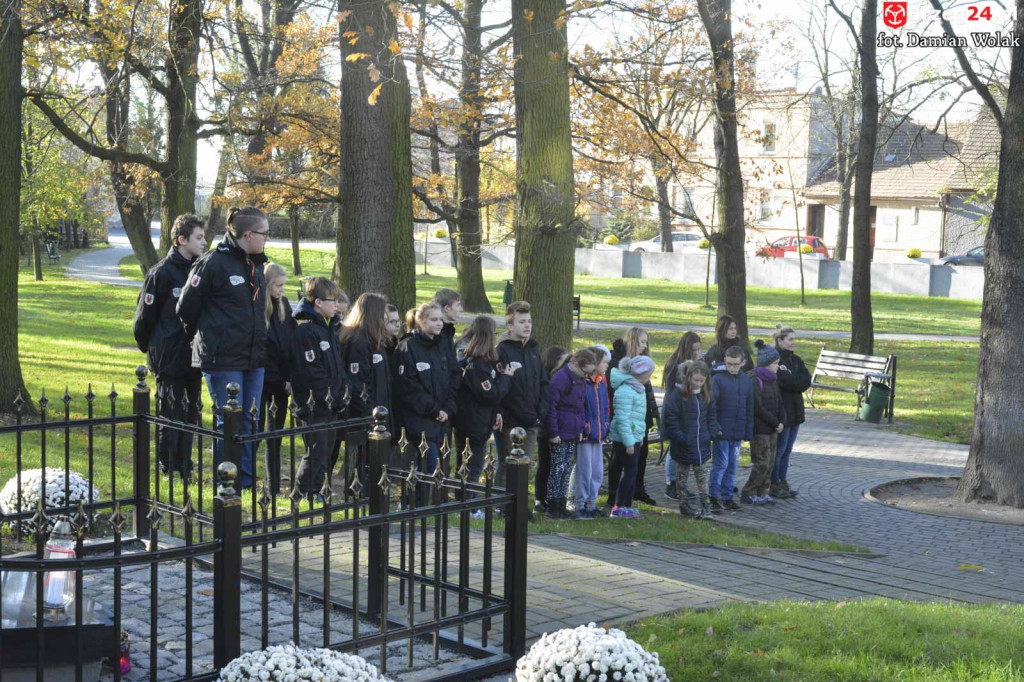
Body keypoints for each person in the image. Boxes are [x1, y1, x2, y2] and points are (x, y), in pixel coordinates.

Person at [177, 206, 270, 490]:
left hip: (253, 359)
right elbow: (186, 308)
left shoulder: (255, 265)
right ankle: (225, 485)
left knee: (249, 422)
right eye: (265, 234)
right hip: (223, 358)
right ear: (249, 234)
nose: (267, 239)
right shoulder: (213, 263)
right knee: (228, 422)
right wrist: (210, 337)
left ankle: (242, 483)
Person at [133, 213, 206, 481]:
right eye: (198, 237)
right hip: (168, 355)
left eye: (204, 237)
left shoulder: (200, 271)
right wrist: (151, 348)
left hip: (194, 355)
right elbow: (144, 318)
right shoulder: (160, 273)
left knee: (190, 412)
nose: (204, 242)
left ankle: (184, 463)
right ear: (181, 240)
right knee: (170, 411)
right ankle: (168, 464)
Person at [393, 302, 460, 504]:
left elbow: (455, 376)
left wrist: (447, 409)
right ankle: (413, 505)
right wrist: (433, 409)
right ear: (421, 321)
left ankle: (421, 507)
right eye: (434, 319)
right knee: (427, 464)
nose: (439, 323)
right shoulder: (407, 347)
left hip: (443, 417)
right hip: (419, 418)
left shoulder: (445, 343)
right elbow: (409, 387)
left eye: (440, 319)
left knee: (438, 467)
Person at [290, 277, 348, 500]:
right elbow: (311, 370)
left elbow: (337, 366)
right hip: (314, 403)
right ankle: (300, 492)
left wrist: (341, 392)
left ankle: (317, 491)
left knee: (326, 452)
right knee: (315, 451)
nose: (336, 305)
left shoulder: (330, 329)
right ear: (317, 302)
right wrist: (327, 396)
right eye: (332, 300)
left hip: (332, 403)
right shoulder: (306, 331)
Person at [452, 316, 511, 513]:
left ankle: (465, 501)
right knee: (473, 464)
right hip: (473, 421)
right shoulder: (477, 364)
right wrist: (506, 379)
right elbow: (489, 394)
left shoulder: (482, 361)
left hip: (476, 418)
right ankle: (468, 505)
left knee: (467, 461)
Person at [496, 301, 548, 487]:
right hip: (510, 420)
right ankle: (501, 506)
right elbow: (501, 387)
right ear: (510, 326)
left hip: (531, 419)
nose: (527, 325)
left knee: (524, 464)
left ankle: (520, 505)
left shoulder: (533, 349)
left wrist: (540, 411)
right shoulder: (502, 350)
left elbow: (542, 382)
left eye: (529, 321)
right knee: (508, 463)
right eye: (521, 322)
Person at [341, 293, 393, 475]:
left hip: (379, 411)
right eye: (383, 314)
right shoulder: (359, 343)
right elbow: (358, 382)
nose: (385, 318)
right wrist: (368, 413)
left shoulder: (375, 342)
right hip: (368, 413)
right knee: (364, 459)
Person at [605, 328, 658, 507]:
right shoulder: (621, 367)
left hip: (638, 421)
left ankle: (633, 493)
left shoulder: (641, 368)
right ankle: (616, 498)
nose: (645, 346)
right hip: (624, 422)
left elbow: (645, 394)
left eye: (646, 342)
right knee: (620, 461)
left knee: (636, 462)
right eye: (642, 342)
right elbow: (619, 402)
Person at [662, 361, 721, 520]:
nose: (699, 383)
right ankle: (683, 504)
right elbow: (671, 418)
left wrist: (712, 432)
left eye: (702, 381)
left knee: (702, 477)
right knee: (682, 476)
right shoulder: (678, 395)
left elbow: (711, 416)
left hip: (701, 443)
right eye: (696, 380)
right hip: (683, 443)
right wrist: (679, 437)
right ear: (688, 378)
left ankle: (705, 506)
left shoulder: (706, 395)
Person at [545, 347, 598, 519]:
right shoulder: (561, 378)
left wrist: (582, 427)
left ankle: (561, 503)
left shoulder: (580, 380)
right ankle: (553, 505)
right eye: (585, 372)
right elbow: (551, 406)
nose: (587, 376)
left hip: (572, 430)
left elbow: (580, 406)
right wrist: (553, 432)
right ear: (576, 364)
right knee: (558, 468)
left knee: (566, 468)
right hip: (560, 431)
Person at [260, 262, 297, 496]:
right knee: (254, 429)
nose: (282, 290)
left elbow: (291, 341)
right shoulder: (260, 308)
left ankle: (273, 486)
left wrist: (288, 379)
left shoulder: (283, 306)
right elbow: (264, 350)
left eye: (284, 285)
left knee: (275, 435)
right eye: (278, 285)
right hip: (264, 378)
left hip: (281, 382)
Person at [741, 340, 786, 506]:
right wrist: (775, 422)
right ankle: (749, 490)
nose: (777, 366)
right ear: (765, 364)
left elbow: (780, 402)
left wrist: (782, 420)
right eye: (775, 363)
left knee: (771, 462)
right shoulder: (755, 379)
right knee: (762, 462)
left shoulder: (773, 378)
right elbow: (757, 407)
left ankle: (763, 491)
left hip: (773, 428)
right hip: (760, 429)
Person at [709, 346, 753, 512]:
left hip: (737, 431)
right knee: (720, 465)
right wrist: (715, 428)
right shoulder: (718, 379)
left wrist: (748, 431)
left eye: (735, 364)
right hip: (722, 431)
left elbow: (749, 407)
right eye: (729, 364)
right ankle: (713, 496)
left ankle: (727, 497)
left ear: (742, 363)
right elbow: (711, 405)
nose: (732, 367)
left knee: (732, 465)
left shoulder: (746, 380)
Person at [662, 331, 703, 500]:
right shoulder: (675, 365)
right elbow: (673, 394)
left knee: (681, 450)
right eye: (694, 350)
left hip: (688, 413)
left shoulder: (694, 363)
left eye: (698, 349)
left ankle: (680, 484)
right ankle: (671, 483)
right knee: (675, 449)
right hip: (677, 413)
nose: (697, 353)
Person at [772, 324, 810, 500]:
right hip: (783, 412)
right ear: (780, 341)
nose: (793, 343)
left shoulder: (796, 360)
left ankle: (783, 479)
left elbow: (806, 380)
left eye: (794, 339)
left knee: (787, 450)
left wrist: (796, 381)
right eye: (790, 340)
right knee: (779, 450)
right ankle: (774, 482)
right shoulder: (776, 360)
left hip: (796, 412)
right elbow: (788, 382)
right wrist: (796, 381)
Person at [574, 345, 610, 519]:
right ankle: (579, 503)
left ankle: (591, 503)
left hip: (599, 433)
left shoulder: (601, 382)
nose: (607, 366)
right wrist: (585, 427)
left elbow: (604, 406)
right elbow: (579, 407)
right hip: (586, 435)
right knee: (584, 470)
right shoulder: (583, 383)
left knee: (597, 470)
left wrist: (605, 425)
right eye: (604, 362)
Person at [533, 347, 569, 512]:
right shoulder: (547, 380)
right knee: (545, 464)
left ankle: (551, 497)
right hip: (545, 429)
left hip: (557, 428)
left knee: (555, 465)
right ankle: (540, 498)